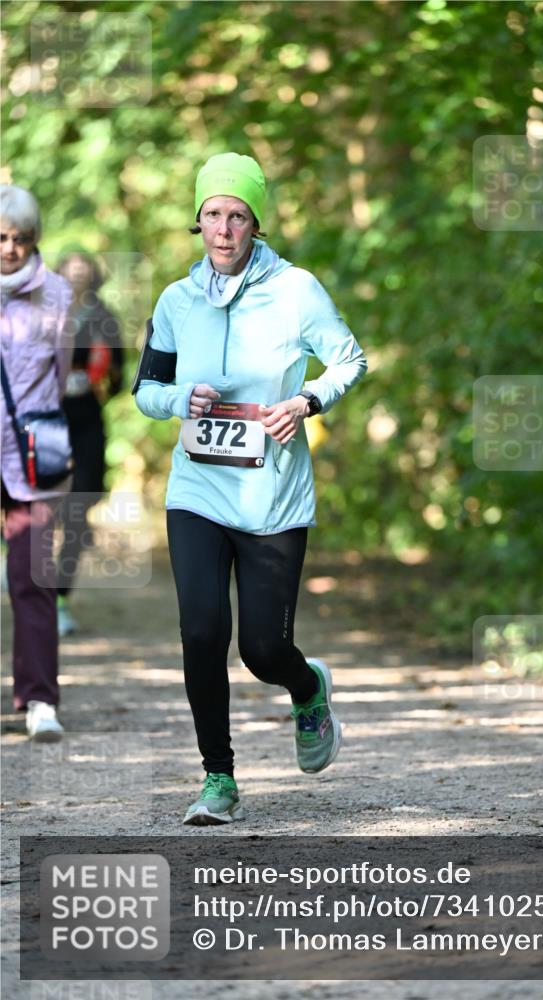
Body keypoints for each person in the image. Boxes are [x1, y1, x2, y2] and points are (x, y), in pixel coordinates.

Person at [134, 152, 367, 825]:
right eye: (212, 213)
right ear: (198, 220)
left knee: (263, 651)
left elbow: (349, 359)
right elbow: (146, 390)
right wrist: (180, 400)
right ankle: (218, 778)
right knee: (201, 630)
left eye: (238, 215)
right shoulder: (176, 301)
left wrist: (307, 401)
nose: (224, 228)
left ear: (255, 223)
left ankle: (307, 686)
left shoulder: (296, 291)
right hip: (198, 492)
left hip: (273, 497)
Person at [0, 184, 73, 741]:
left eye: (20, 238)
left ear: (34, 239)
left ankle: (40, 699)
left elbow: (60, 376)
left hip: (30, 457)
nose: (9, 248)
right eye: (1, 237)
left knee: (32, 578)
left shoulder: (58, 295)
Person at [54, 249, 124, 636]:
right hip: (44, 420)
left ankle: (59, 599)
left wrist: (101, 378)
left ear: (93, 276)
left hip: (87, 421)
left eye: (83, 270)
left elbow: (120, 374)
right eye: (71, 269)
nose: (77, 275)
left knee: (79, 507)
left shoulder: (104, 317)